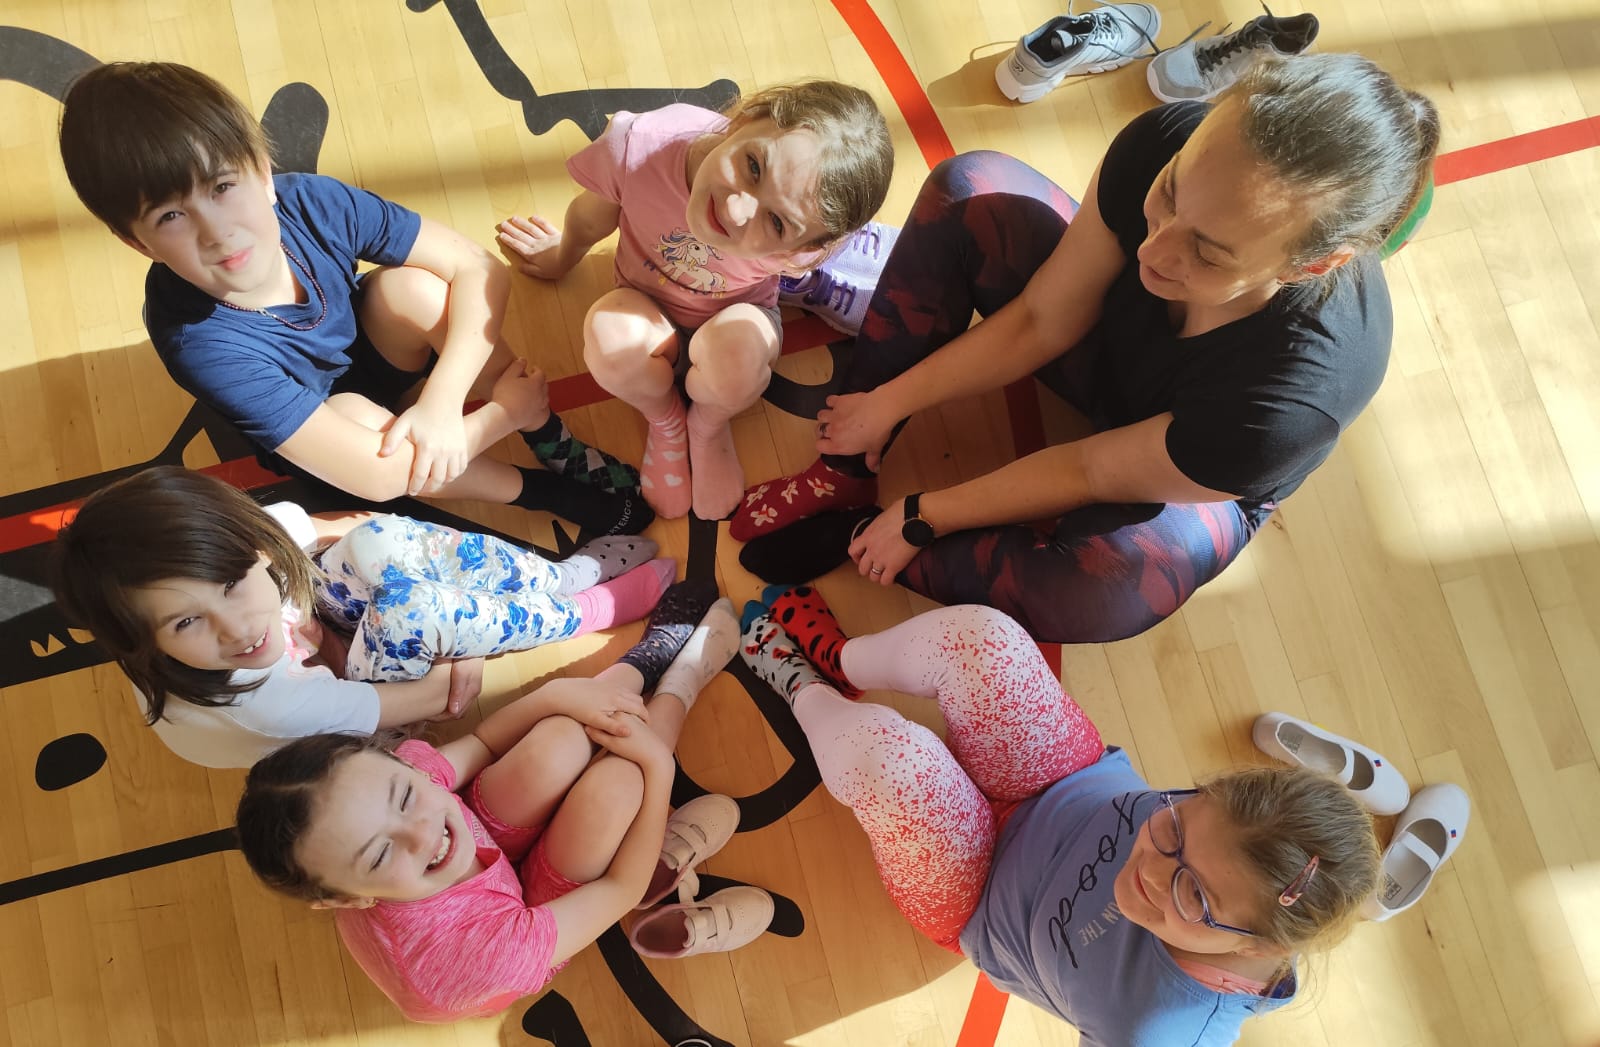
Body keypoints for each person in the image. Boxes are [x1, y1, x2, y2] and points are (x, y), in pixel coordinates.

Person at [732, 54, 1441, 642]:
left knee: (1105, 592)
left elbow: (1093, 468)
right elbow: (1042, 318)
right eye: (1170, 193)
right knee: (966, 189)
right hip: (1110, 348)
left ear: (1309, 267)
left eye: (1207, 251)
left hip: (1186, 455)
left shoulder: (1293, 405)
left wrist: (923, 515)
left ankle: (865, 535)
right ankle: (847, 464)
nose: (1154, 250)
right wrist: (886, 403)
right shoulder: (1170, 139)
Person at [739, 586, 1383, 1045]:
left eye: (1192, 893)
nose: (1150, 871)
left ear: (1259, 946)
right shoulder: (1236, 858)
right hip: (1064, 777)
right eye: (1174, 828)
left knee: (885, 757)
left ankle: (800, 684)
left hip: (977, 898)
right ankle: (840, 659)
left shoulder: (1159, 1031)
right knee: (983, 639)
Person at [58, 62, 651, 535]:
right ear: (138, 243)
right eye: (170, 216)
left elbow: (476, 267)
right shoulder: (198, 342)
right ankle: (544, 490)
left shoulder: (309, 202)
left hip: (380, 360)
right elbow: (376, 478)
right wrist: (501, 417)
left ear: (263, 173)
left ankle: (549, 436)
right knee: (363, 423)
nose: (217, 232)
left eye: (222, 187)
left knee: (414, 289)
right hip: (329, 430)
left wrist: (442, 403)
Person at [235, 589, 771, 1023]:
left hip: (487, 878)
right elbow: (620, 889)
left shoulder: (379, 789)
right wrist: (660, 770)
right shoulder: (477, 957)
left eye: (406, 795)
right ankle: (682, 678)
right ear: (348, 900)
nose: (422, 832)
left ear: (393, 762)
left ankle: (643, 663)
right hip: (508, 927)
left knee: (559, 739)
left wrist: (556, 695)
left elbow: (484, 743)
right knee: (622, 784)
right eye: (380, 854)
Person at [51, 467, 673, 768]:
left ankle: (562, 578)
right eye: (185, 623)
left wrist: (396, 562)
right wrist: (465, 643)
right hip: (354, 725)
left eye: (233, 585)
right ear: (144, 641)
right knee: (420, 610)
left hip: (318, 646)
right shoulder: (265, 705)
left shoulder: (244, 544)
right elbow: (434, 700)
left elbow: (344, 526)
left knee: (378, 542)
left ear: (255, 547)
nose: (234, 628)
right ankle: (586, 611)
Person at [495, 80, 894, 522]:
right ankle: (665, 421)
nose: (735, 210)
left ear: (805, 250)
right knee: (609, 336)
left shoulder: (802, 248)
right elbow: (590, 218)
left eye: (777, 222)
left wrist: (709, 420)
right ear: (744, 118)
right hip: (641, 305)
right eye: (753, 166)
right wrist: (562, 256)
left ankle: (707, 427)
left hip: (737, 322)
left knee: (739, 358)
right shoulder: (640, 147)